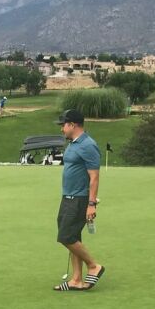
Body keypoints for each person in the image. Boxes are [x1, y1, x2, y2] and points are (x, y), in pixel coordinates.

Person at [52, 109, 105, 292]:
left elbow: (94, 177)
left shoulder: (88, 145)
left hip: (79, 198)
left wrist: (91, 204)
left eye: (63, 125)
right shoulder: (73, 143)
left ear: (72, 125)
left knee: (66, 236)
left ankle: (93, 265)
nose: (62, 129)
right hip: (68, 196)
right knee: (72, 236)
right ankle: (76, 279)